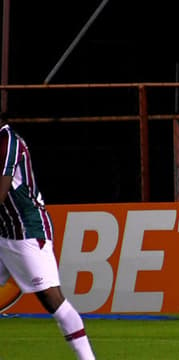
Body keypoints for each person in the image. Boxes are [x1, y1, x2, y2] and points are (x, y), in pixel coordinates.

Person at [0, 112, 96, 359]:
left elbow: (3, 187)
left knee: (52, 299)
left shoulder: (8, 141)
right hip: (4, 232)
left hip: (27, 231)